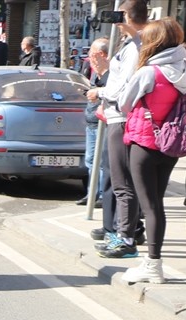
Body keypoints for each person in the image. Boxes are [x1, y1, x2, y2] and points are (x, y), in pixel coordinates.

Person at [118, 19, 186, 285]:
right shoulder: (183, 68)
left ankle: (153, 265)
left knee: (148, 206)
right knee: (156, 205)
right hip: (171, 144)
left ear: (153, 43)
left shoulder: (149, 72)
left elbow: (124, 104)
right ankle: (152, 262)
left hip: (145, 143)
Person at [96, 0, 149, 260]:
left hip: (121, 116)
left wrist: (100, 91)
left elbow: (124, 85)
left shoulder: (136, 46)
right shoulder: (130, 43)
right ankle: (124, 233)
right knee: (120, 181)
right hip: (118, 115)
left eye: (121, 13)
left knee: (122, 183)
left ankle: (126, 237)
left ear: (127, 15)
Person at [81, 38, 109, 206]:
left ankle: (101, 195)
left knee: (102, 161)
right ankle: (92, 193)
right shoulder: (94, 73)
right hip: (91, 121)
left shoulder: (112, 74)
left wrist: (98, 92)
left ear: (101, 54)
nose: (89, 58)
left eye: (92, 54)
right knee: (90, 160)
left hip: (104, 123)